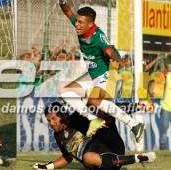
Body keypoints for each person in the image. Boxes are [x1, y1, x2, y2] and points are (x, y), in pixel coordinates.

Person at [58, 0, 144, 142]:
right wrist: (62, 2)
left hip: (108, 76)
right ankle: (97, 120)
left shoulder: (98, 37)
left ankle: (133, 124)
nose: (77, 25)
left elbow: (109, 50)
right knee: (63, 89)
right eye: (77, 21)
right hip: (95, 79)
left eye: (80, 23)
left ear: (90, 24)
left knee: (94, 100)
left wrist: (116, 59)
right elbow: (67, 11)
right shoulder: (81, 26)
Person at [33, 102, 156, 170]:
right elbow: (67, 157)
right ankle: (137, 158)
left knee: (101, 112)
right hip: (97, 164)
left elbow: (109, 107)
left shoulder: (80, 116)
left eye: (53, 119)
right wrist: (48, 167)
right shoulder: (58, 136)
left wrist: (137, 106)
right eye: (48, 121)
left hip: (112, 148)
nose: (51, 123)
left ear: (63, 115)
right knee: (87, 158)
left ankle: (136, 158)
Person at [159, 63, 171, 149]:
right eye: (169, 66)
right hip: (166, 106)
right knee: (164, 129)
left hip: (166, 107)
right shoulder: (166, 75)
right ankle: (163, 147)